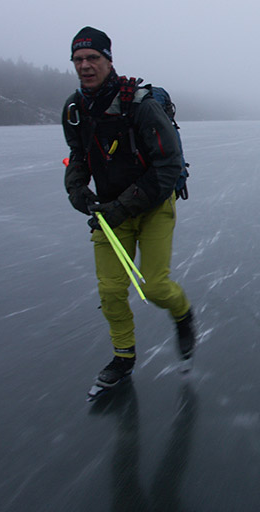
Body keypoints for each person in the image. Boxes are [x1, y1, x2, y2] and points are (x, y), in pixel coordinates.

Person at [62, 26, 195, 391]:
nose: (85, 66)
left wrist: (124, 206)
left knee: (154, 287)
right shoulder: (75, 109)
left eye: (93, 58)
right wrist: (77, 188)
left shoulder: (141, 106)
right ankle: (123, 357)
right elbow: (79, 155)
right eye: (78, 60)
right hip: (111, 212)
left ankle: (183, 314)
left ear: (108, 60)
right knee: (110, 291)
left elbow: (168, 166)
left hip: (152, 207)